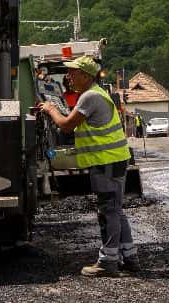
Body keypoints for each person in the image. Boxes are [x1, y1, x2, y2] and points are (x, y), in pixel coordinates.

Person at [36, 55, 137, 277]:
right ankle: (129, 256)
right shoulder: (96, 94)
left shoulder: (89, 97)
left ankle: (108, 262)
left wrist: (50, 108)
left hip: (106, 161)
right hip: (115, 159)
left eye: (72, 72)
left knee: (108, 210)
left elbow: (66, 126)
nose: (68, 76)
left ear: (85, 75)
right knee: (116, 210)